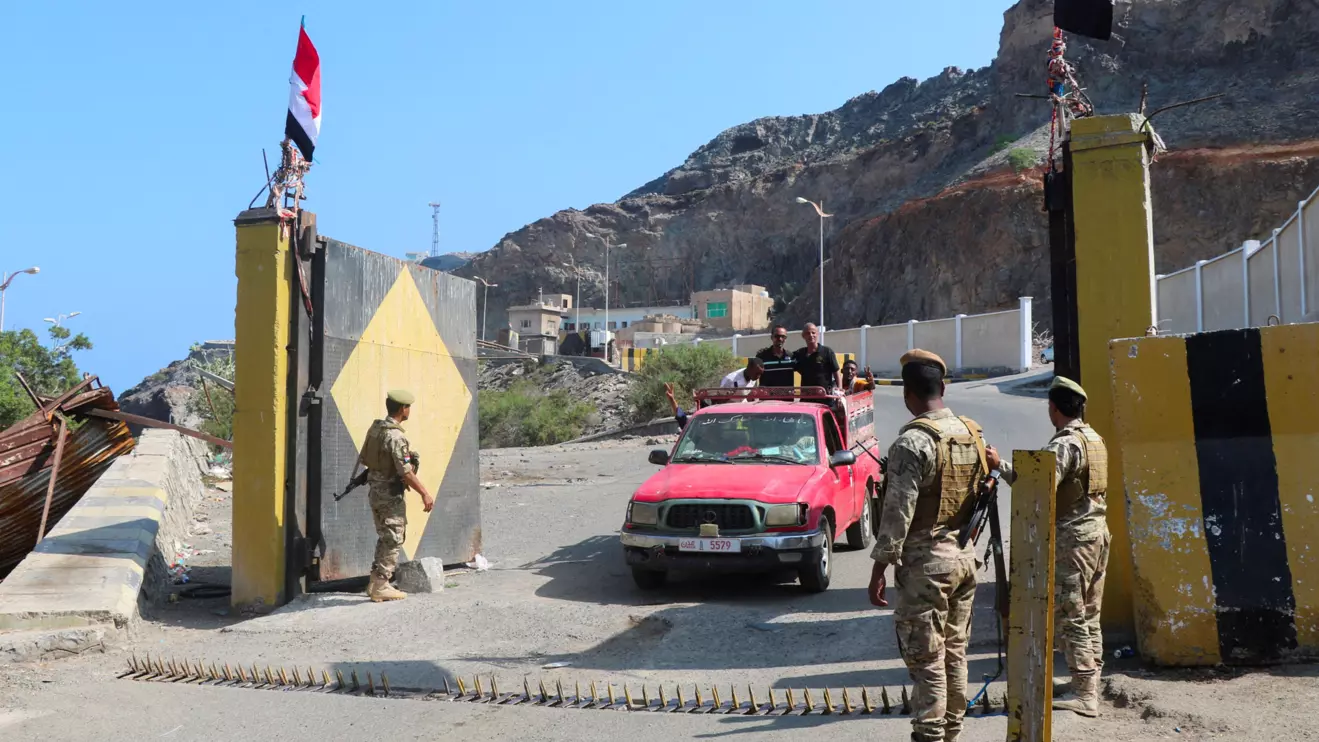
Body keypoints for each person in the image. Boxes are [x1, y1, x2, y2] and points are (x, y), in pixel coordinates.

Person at [869, 350, 987, 742]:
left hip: (927, 568)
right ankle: (951, 731)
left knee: (927, 658)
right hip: (964, 560)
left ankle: (930, 734)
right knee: (955, 651)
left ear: (907, 393)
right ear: (943, 387)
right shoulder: (971, 432)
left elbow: (897, 513)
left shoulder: (912, 442)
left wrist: (879, 569)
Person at [986, 376, 1109, 718]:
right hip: (1097, 534)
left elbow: (1037, 485)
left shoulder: (1066, 444)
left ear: (1053, 408)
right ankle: (1088, 681)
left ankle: (1086, 694)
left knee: (1070, 615)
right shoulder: (1094, 439)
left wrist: (1000, 466)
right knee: (1089, 613)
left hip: (1074, 541)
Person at [359, 389, 435, 602]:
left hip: (375, 491)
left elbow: (368, 460)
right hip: (389, 495)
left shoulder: (377, 429)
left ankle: (375, 582)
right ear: (404, 409)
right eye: (409, 407)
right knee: (394, 537)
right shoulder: (396, 436)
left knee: (385, 536)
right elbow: (406, 472)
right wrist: (425, 494)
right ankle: (382, 584)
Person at [792, 323, 842, 392]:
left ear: (817, 334)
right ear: (803, 336)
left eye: (813, 333)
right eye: (808, 333)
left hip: (824, 396)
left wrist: (840, 389)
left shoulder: (827, 352)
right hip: (806, 397)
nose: (811, 335)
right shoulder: (800, 353)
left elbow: (836, 372)